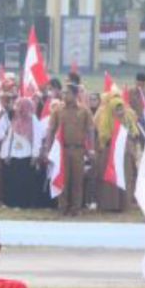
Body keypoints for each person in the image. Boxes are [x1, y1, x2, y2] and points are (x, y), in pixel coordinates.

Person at [42, 84, 95, 216]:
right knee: (62, 179)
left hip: (78, 150)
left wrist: (92, 149)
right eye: (64, 93)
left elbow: (90, 130)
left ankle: (76, 208)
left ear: (75, 94)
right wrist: (47, 149)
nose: (64, 96)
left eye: (68, 93)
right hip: (61, 151)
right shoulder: (58, 110)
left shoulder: (84, 111)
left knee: (77, 180)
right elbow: (50, 130)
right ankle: (63, 207)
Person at [94, 94, 140, 212]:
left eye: (121, 108)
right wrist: (115, 138)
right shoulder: (105, 119)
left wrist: (128, 136)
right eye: (117, 109)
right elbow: (103, 136)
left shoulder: (128, 119)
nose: (120, 111)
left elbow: (135, 133)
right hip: (110, 153)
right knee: (111, 179)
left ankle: (124, 204)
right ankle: (110, 205)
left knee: (126, 177)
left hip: (125, 153)